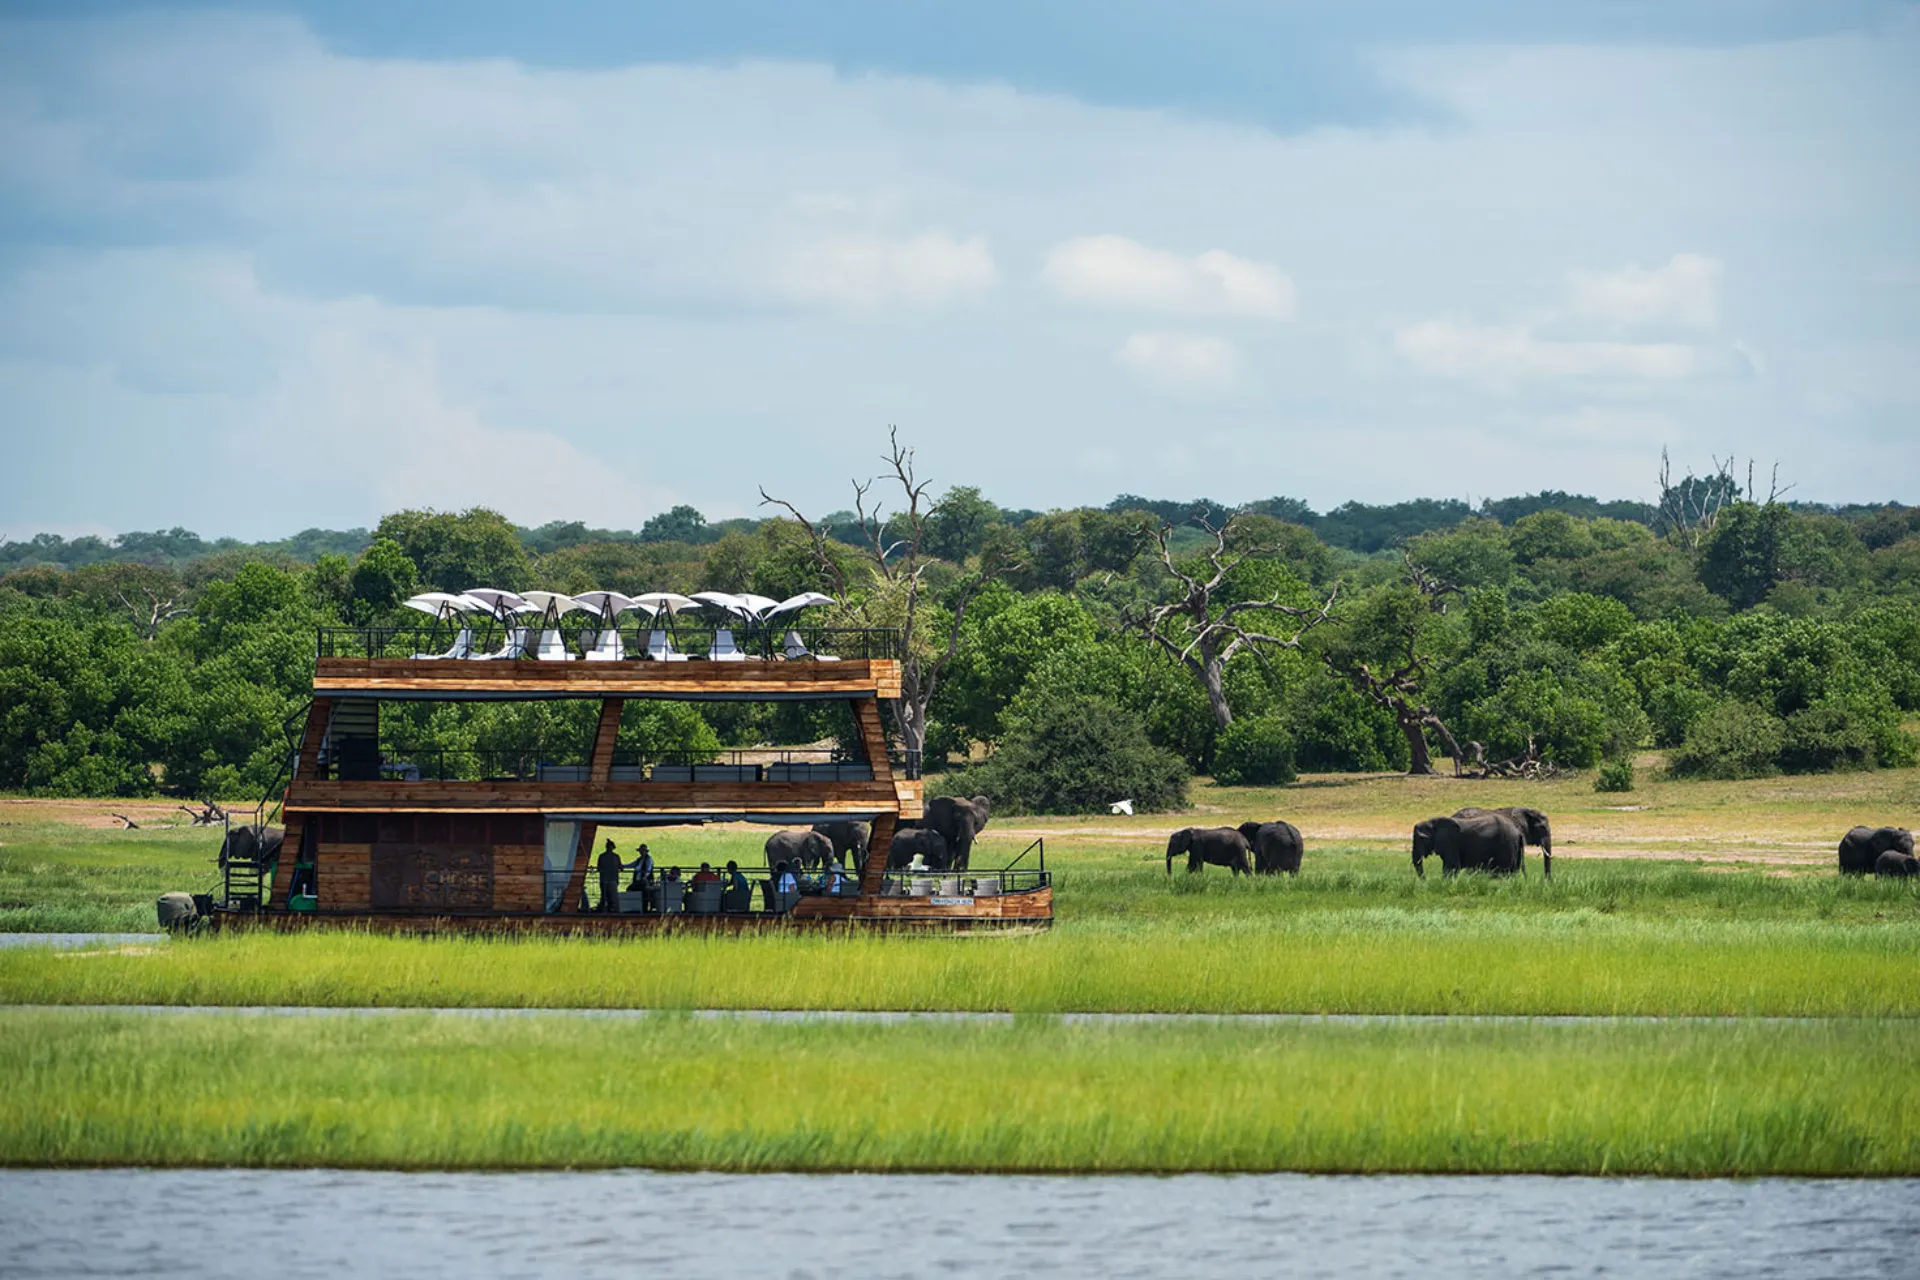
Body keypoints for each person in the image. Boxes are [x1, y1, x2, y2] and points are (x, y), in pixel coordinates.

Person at [596, 839, 624, 912]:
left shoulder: (601, 856)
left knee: (604, 896)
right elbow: (621, 868)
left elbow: (598, 868)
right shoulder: (616, 857)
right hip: (613, 880)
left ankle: (603, 910)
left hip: (604, 879)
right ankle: (613, 910)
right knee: (613, 897)